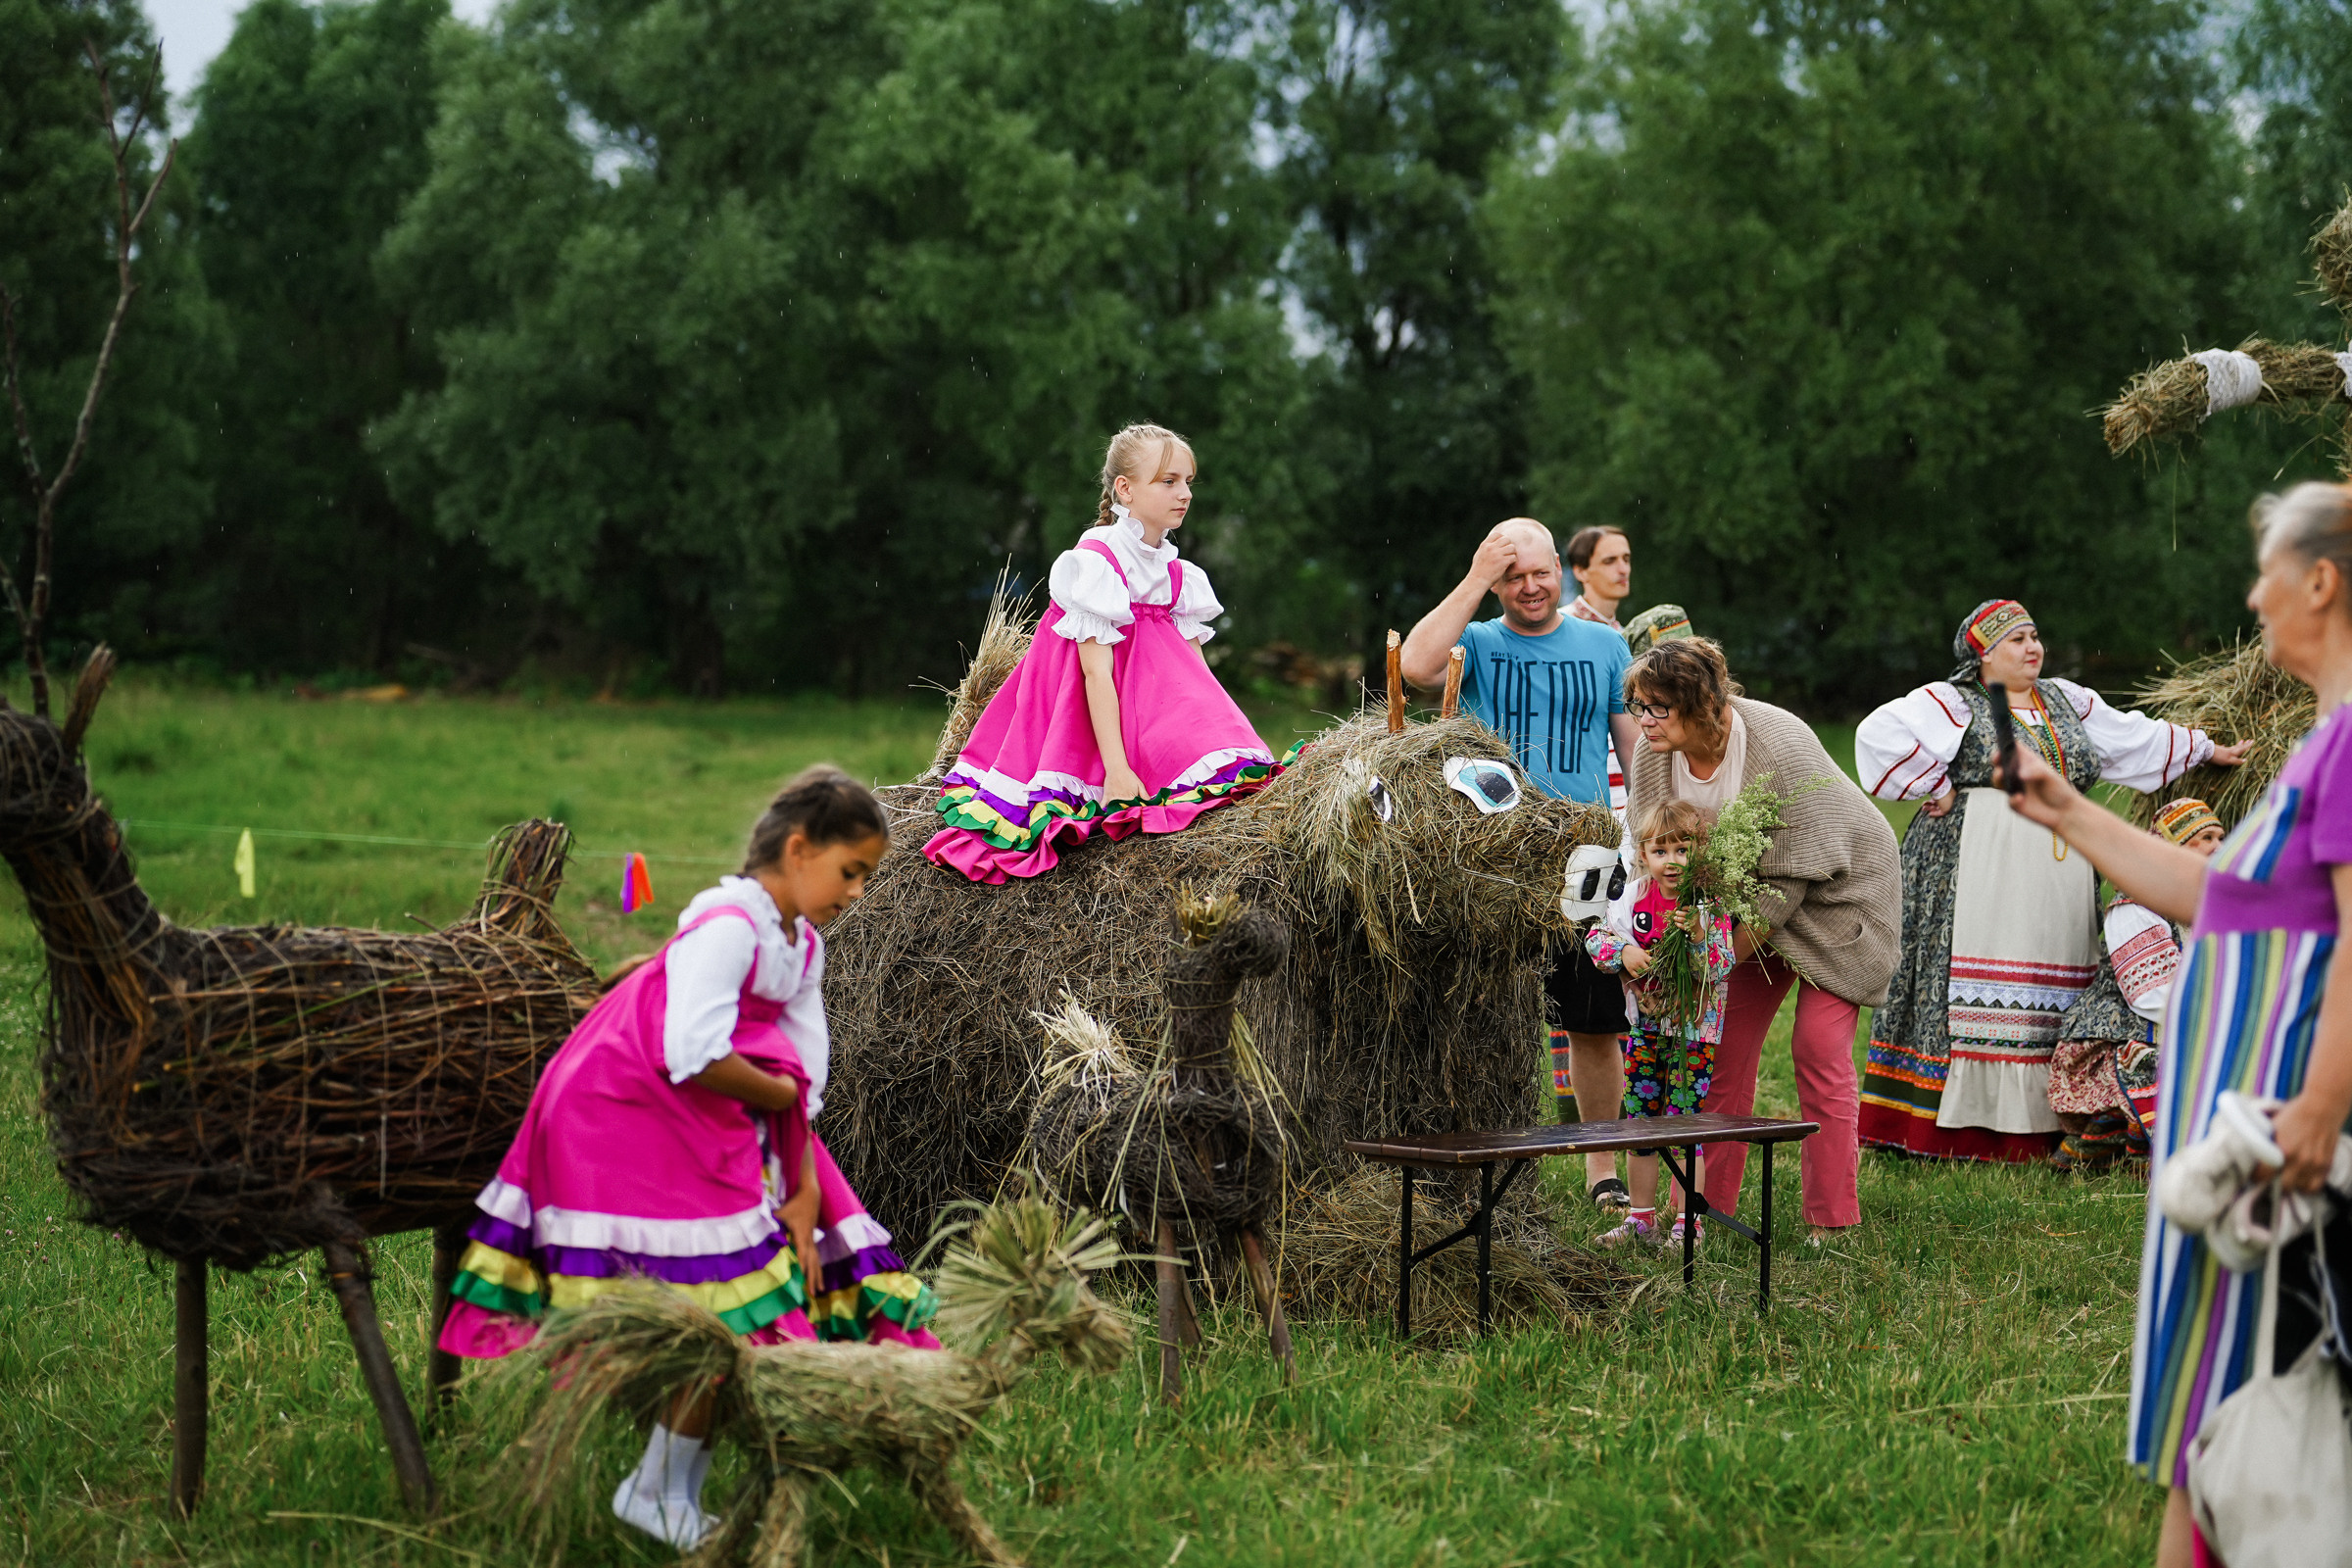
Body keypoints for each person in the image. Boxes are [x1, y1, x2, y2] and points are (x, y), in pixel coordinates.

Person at [437, 767, 941, 1547]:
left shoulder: (799, 947)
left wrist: (803, 1190)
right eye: (852, 872)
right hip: (623, 1112)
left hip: (713, 1113)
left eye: (866, 877)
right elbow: (693, 1051)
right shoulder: (729, 930)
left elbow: (802, 1083)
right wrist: (775, 1103)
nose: (859, 894)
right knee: (726, 1306)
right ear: (799, 850)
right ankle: (650, 1483)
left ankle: (663, 1487)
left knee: (760, 1293)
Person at [2000, 480, 2352, 1568]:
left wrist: (2321, 1107)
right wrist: (2066, 808)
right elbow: (2222, 899)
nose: (2254, 597)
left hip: (2274, 1125)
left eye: (2266, 573)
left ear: (2323, 582)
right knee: (2217, 1399)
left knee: (2255, 1394)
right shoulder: (2324, 742)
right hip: (2230, 1128)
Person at [1854, 601, 2244, 1162]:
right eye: (2016, 640)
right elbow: (1878, 735)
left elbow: (2132, 739)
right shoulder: (1952, 702)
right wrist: (1933, 783)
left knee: (2056, 978)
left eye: (2035, 635)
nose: (2032, 647)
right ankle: (1953, 1130)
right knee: (1978, 979)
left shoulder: (2067, 700)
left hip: (2059, 867)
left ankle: (2055, 1122)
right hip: (1979, 862)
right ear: (1983, 653)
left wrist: (2206, 748)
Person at [1622, 637, 1901, 1242]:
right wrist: (1674, 957)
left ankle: (1832, 1220)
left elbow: (1789, 877)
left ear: (1705, 705)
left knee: (1818, 1051)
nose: (1643, 722)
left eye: (1657, 708)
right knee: (1718, 1050)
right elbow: (1658, 859)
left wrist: (1707, 966)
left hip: (1837, 892)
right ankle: (1700, 1214)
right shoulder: (1653, 755)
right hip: (1734, 910)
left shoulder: (1780, 743)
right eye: (1638, 706)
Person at [1401, 517, 1642, 1208]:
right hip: (1493, 852)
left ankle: (1603, 1170)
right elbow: (1415, 668)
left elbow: (1633, 750)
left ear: (1561, 576)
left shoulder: (1604, 643)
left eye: (1540, 574)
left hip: (1589, 849)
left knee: (1593, 1018)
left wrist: (1645, 837)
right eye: (1512, 577)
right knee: (1484, 1012)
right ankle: (1485, 1158)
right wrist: (1476, 577)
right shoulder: (1473, 644)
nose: (1530, 587)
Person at [925, 424, 1285, 883]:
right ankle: (1107, 774)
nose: (1184, 494)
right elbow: (1095, 676)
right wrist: (1117, 770)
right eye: (1168, 481)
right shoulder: (1096, 561)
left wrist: (1225, 735)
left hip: (1145, 701)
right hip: (1085, 705)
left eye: (1188, 482)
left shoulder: (1180, 574)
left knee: (1230, 765)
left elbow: (1197, 678)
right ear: (1125, 489)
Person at [1583, 798, 1738, 1249]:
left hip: (1693, 1033)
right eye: (1661, 851)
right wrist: (1624, 954)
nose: (1672, 862)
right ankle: (1641, 1219)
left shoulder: (1706, 907)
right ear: (1643, 856)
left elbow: (1722, 963)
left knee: (1684, 1124)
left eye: (1683, 850)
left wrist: (1696, 940)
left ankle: (1689, 1222)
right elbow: (1598, 937)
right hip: (1646, 1030)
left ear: (1700, 854)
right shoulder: (1632, 898)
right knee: (1641, 1123)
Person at [2046, 798, 2224, 1173]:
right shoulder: (2137, 907)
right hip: (2112, 1042)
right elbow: (2151, 995)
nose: (2218, 847)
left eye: (2222, 837)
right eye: (2206, 837)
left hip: (2179, 1023)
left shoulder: (2210, 908)